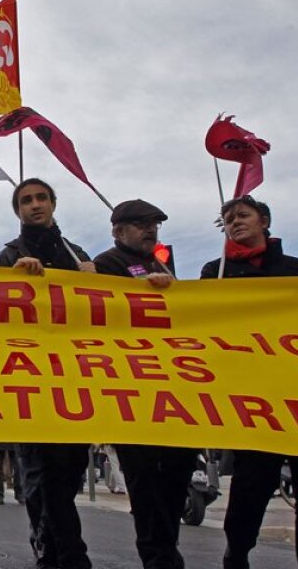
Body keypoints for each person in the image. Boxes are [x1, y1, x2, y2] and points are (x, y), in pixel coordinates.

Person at [201, 195, 298, 569]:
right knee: (250, 488)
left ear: (264, 221)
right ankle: (236, 553)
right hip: (255, 399)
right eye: (228, 219)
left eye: (242, 215)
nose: (235, 222)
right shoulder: (216, 272)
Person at [0, 178, 94, 569]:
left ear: (53, 204)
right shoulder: (9, 256)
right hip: (31, 382)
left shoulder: (78, 255)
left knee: (67, 474)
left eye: (41, 198)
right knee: (39, 472)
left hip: (73, 380)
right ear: (17, 210)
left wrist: (94, 279)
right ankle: (68, 553)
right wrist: (16, 281)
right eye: (25, 201)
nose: (34, 205)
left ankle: (45, 540)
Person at [93, 199, 195, 569]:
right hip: (133, 394)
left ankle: (166, 551)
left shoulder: (163, 265)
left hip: (172, 390)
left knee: (176, 475)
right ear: (118, 231)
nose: (150, 230)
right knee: (145, 483)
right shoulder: (108, 264)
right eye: (140, 224)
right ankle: (159, 558)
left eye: (154, 224)